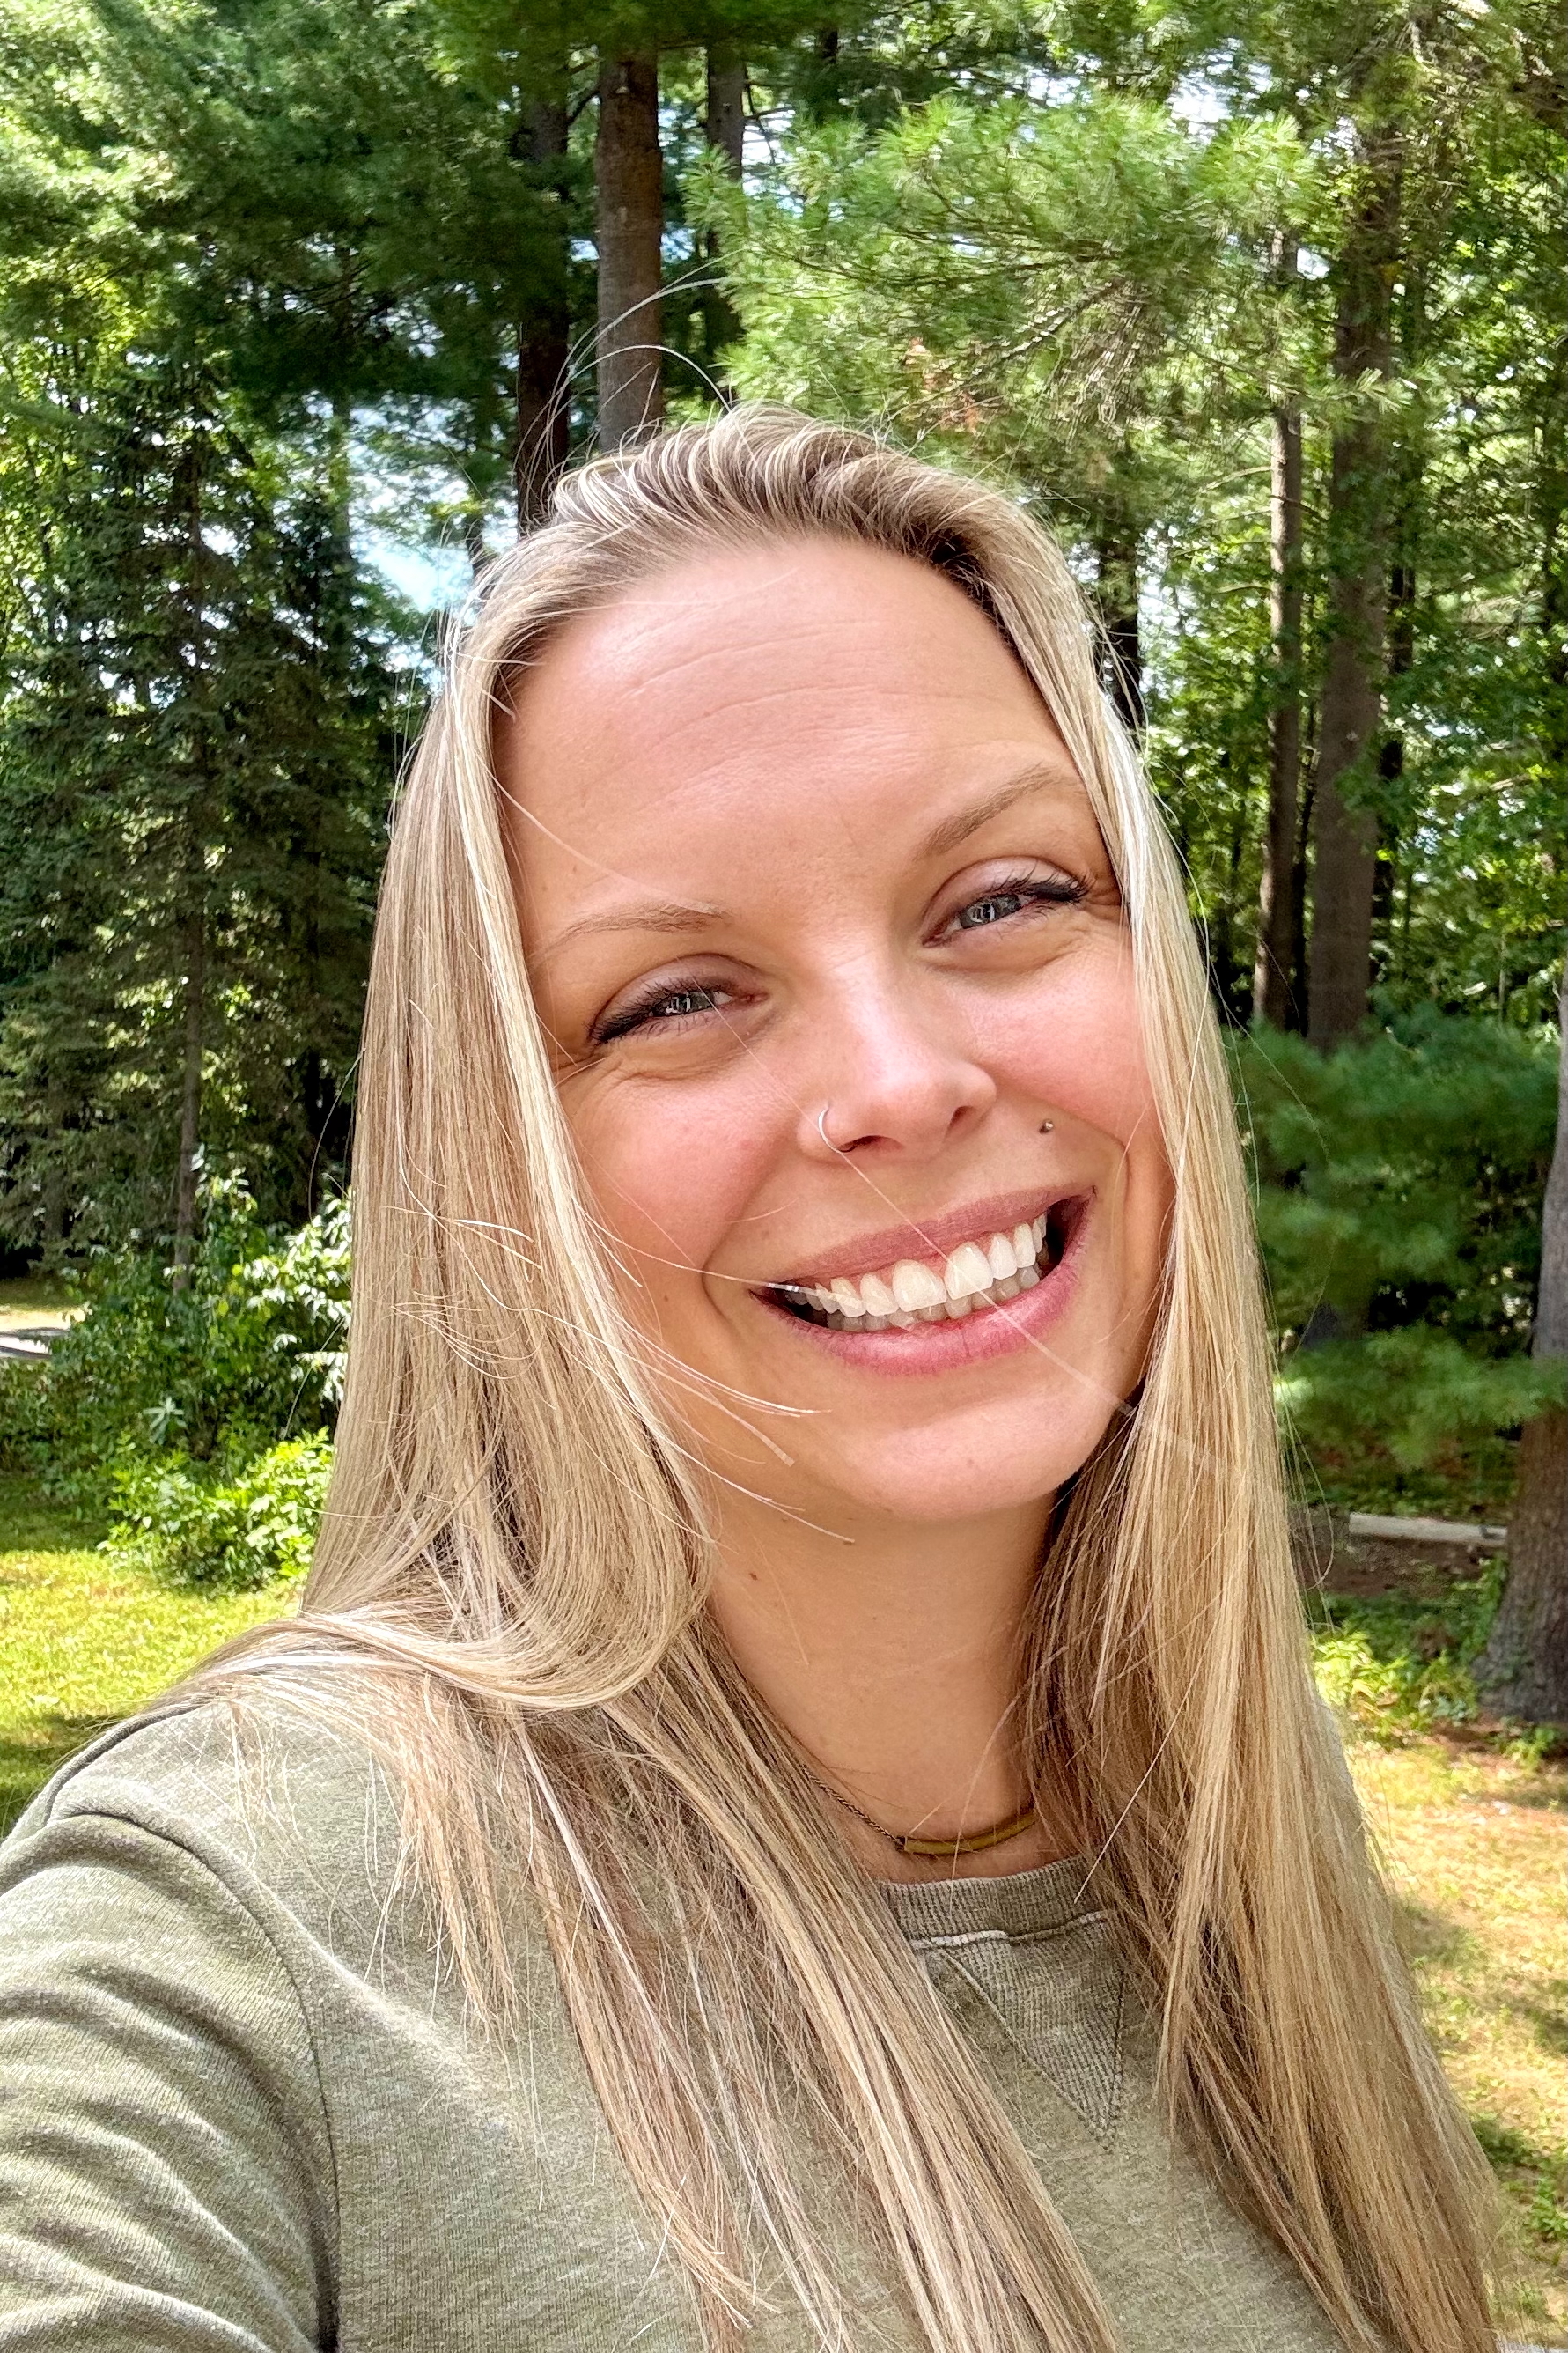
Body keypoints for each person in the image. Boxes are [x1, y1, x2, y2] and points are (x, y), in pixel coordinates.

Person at [0, 409, 1495, 2353]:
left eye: (1000, 899)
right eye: (678, 998)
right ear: (501, 1149)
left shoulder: (1233, 1832)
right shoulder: (230, 1943)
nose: (898, 1083)